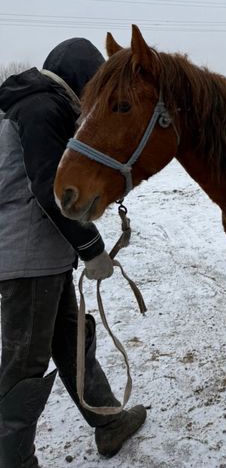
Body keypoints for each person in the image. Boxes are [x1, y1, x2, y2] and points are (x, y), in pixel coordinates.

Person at [0, 38, 146, 468]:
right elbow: (50, 188)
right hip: (26, 258)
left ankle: (108, 421)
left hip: (39, 256)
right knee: (24, 364)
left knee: (70, 340)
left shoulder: (34, 103)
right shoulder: (41, 108)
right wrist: (91, 248)